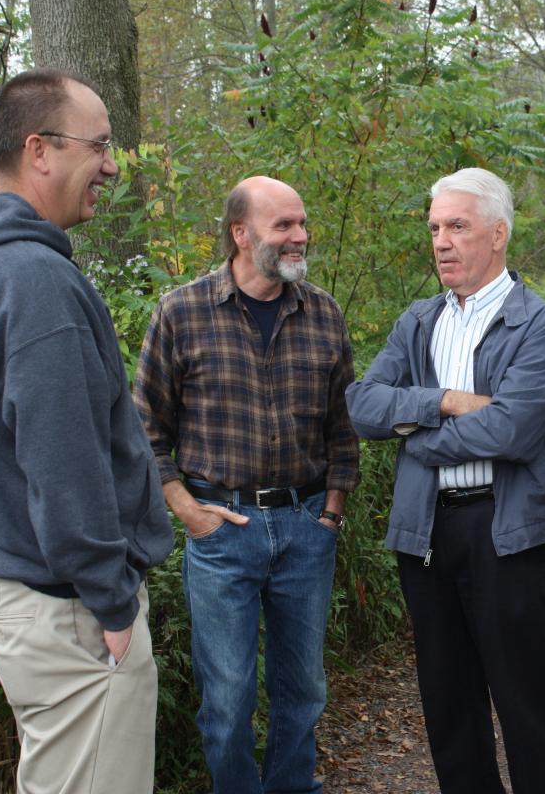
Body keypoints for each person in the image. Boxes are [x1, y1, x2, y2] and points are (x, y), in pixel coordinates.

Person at [0, 68, 174, 793]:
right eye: (100, 146)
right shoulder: (29, 280)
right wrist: (112, 600)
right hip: (68, 606)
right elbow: (64, 462)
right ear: (40, 151)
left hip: (18, 587)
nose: (114, 166)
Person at [346, 168, 545, 793]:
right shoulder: (418, 322)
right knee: (448, 702)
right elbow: (361, 405)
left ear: (499, 234)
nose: (442, 241)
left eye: (458, 226)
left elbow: (510, 432)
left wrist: (416, 439)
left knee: (523, 699)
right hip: (426, 533)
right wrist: (448, 401)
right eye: (434, 228)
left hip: (508, 534)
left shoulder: (542, 326)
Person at [133, 175, 360, 793]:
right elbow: (144, 426)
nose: (299, 236)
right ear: (240, 233)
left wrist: (332, 512)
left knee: (304, 692)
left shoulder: (322, 313)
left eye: (302, 222)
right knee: (228, 699)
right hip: (221, 531)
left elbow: (343, 425)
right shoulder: (181, 312)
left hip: (305, 525)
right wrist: (187, 509)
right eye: (283, 225)